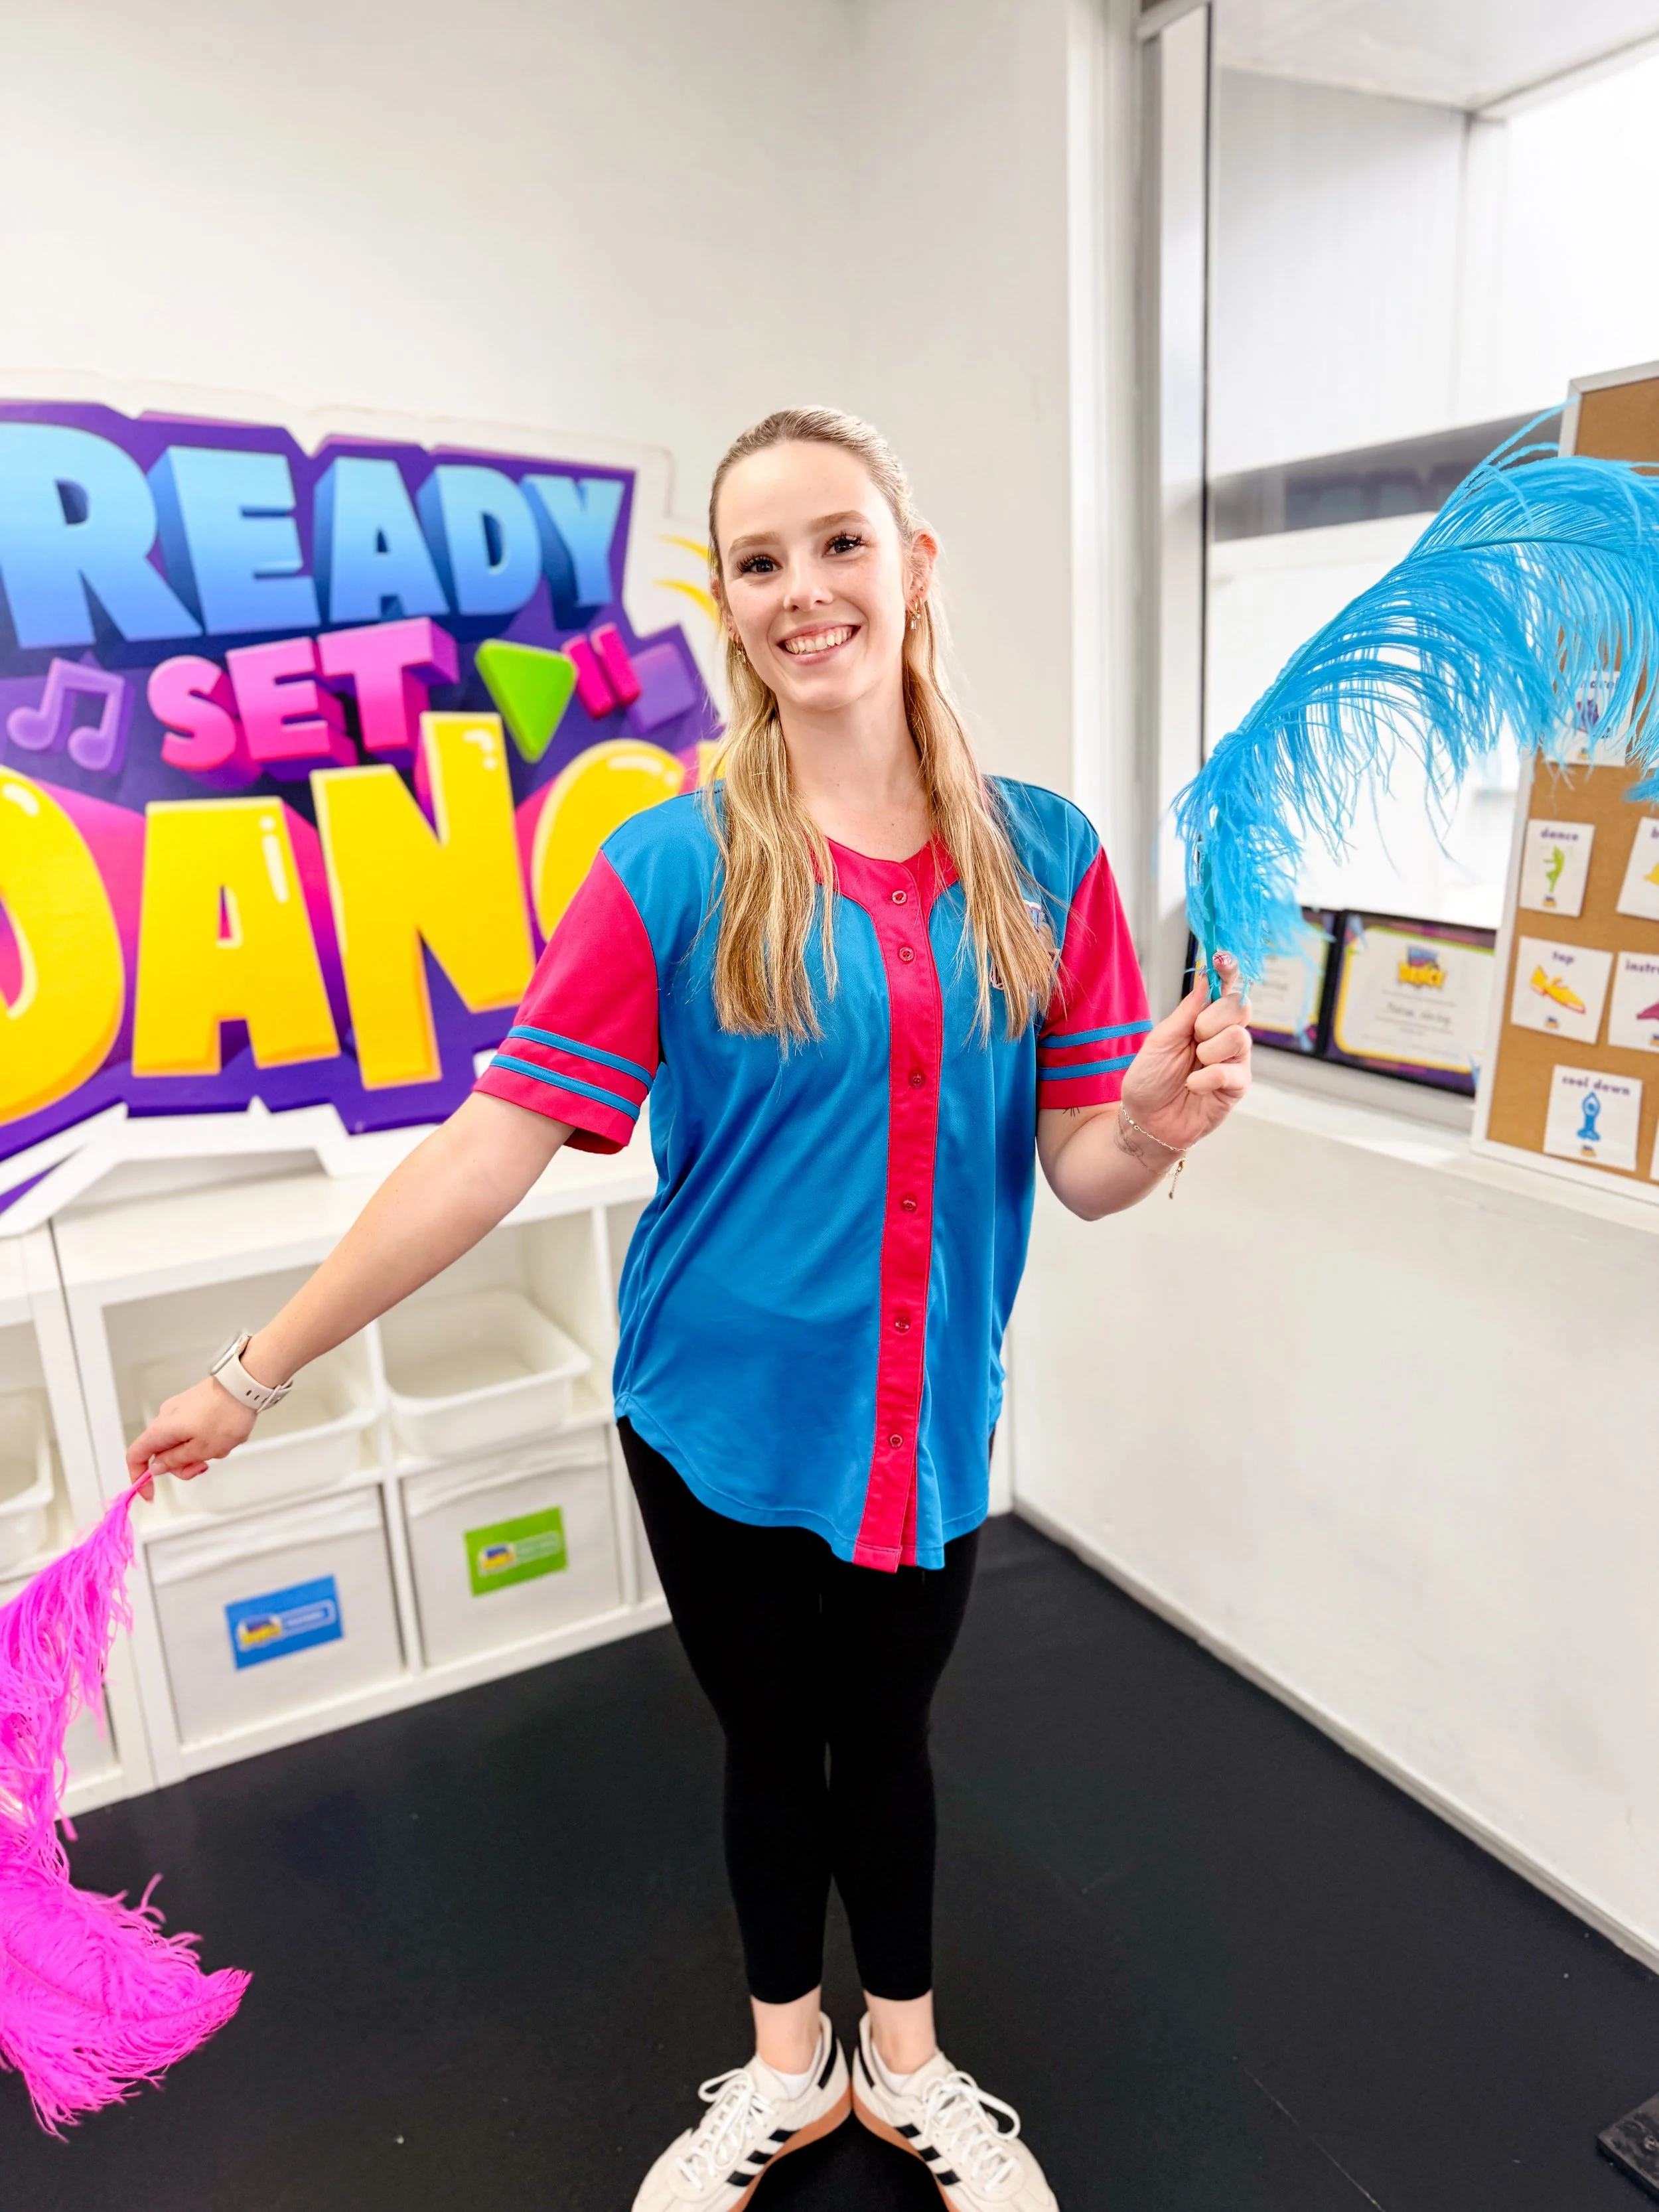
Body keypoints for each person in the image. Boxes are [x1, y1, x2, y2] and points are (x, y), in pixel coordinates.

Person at [129, 407, 1253, 2211]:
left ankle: (909, 2066)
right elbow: (486, 1152)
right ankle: (784, 2066)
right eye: (758, 561)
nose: (804, 590)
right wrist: (252, 1373)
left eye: (837, 542)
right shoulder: (674, 863)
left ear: (913, 563)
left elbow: (1083, 1169)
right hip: (709, 1418)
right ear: (728, 609)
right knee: (766, 1746)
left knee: (881, 1745)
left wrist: (1151, 1122)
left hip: (921, 1422)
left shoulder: (1045, 856)